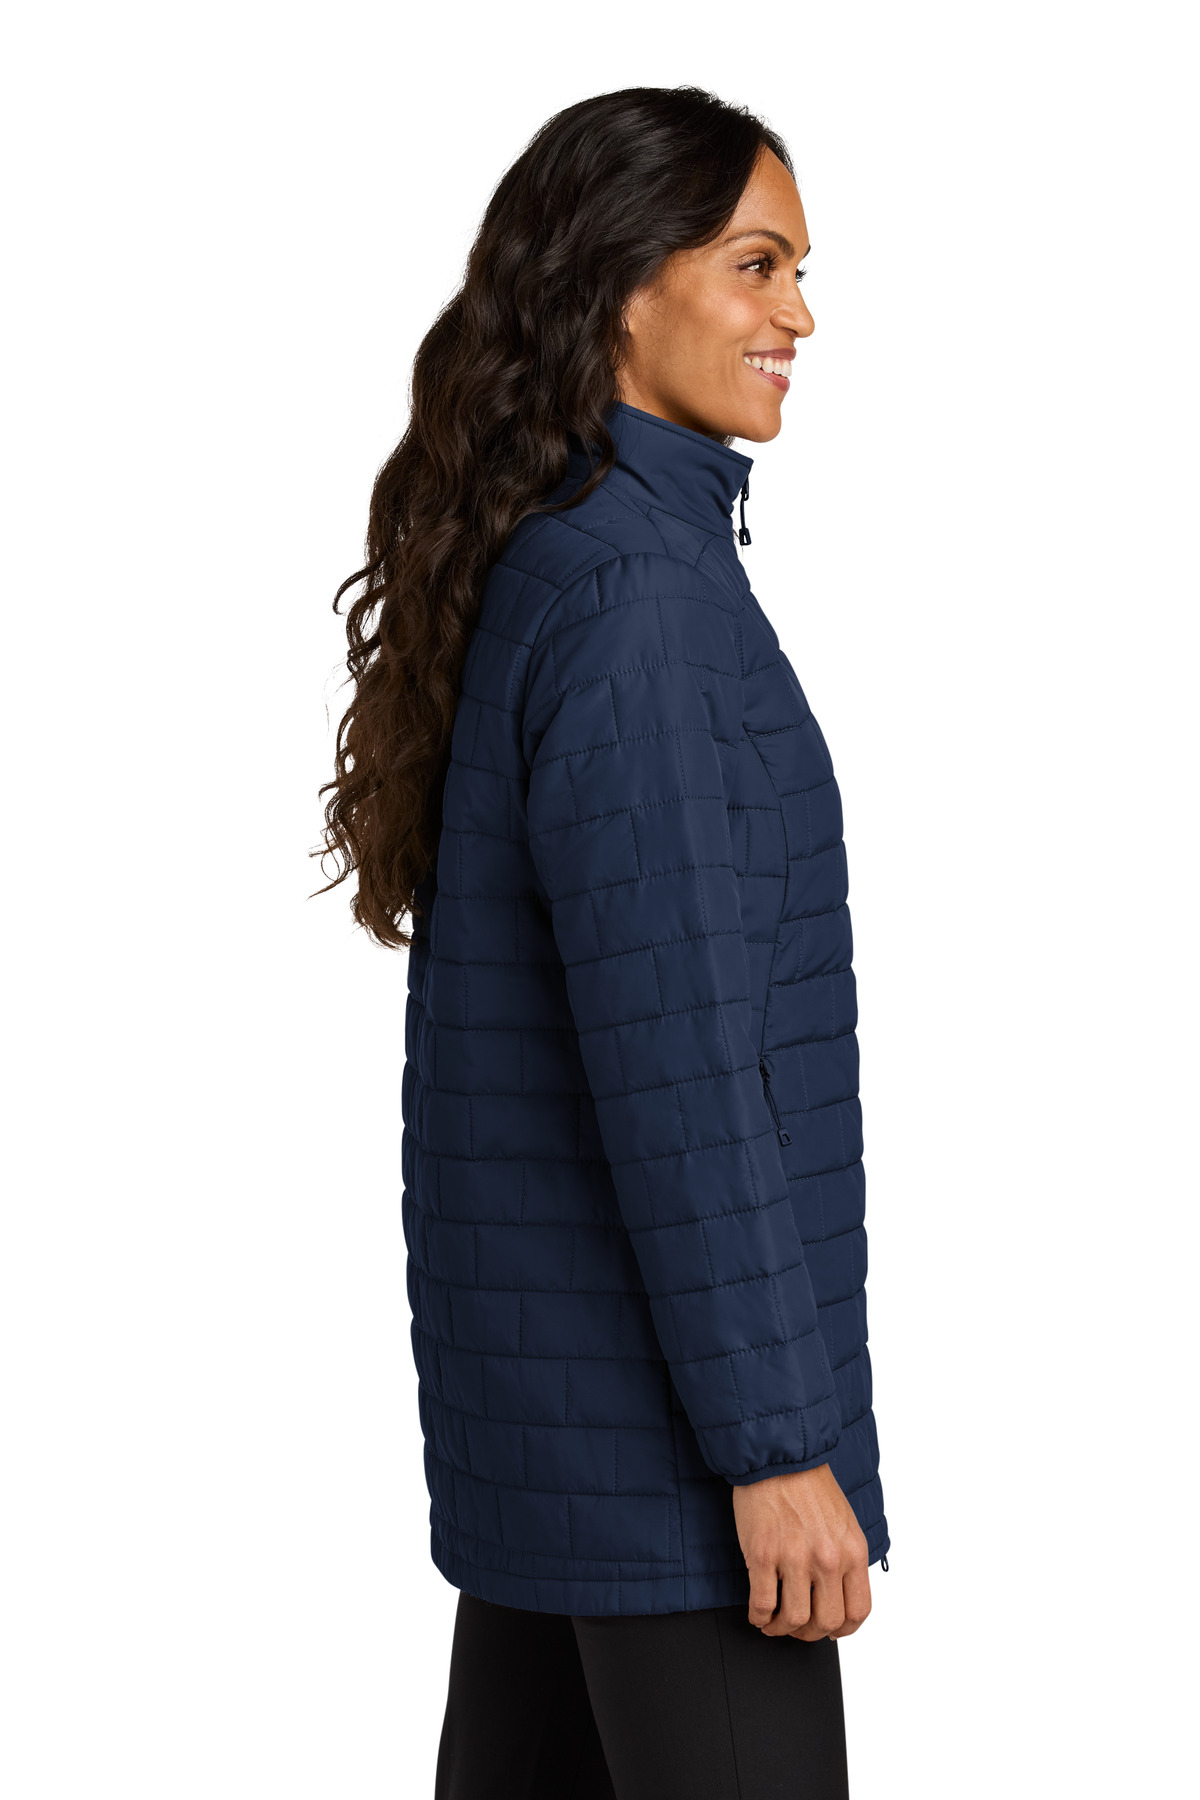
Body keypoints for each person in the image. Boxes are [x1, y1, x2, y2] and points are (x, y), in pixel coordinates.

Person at [319, 84, 889, 1800]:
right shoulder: (639, 600)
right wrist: (775, 1449)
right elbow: (683, 1072)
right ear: (623, 287)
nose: (800, 317)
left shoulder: (573, 557)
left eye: (799, 271)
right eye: (758, 265)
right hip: (670, 1475)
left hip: (559, 1436)